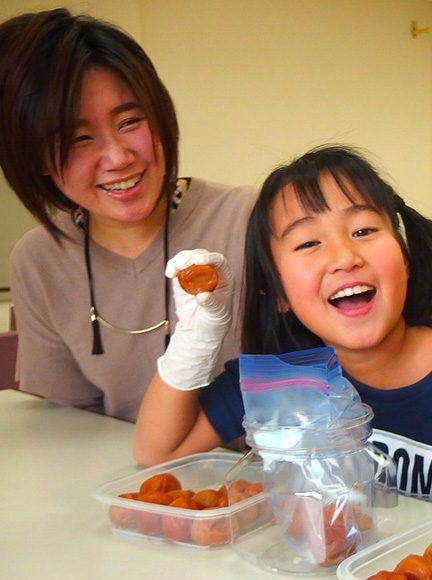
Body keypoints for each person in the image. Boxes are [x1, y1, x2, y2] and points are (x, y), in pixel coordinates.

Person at [133, 144, 432, 523]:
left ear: (405, 258)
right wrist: (196, 339)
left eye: (363, 231)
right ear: (279, 292)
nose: (344, 256)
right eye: (308, 243)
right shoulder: (284, 375)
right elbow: (158, 453)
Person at [0, 9, 256, 421]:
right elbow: (71, 424)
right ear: (34, 158)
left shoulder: (253, 219)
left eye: (131, 121)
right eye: (78, 138)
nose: (118, 157)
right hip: (121, 465)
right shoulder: (39, 260)